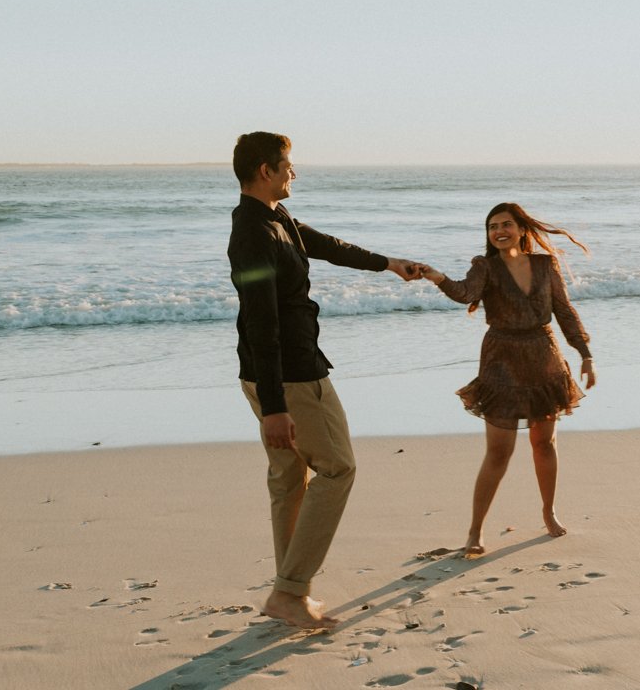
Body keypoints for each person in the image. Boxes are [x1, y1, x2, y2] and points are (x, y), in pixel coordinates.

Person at [228, 131, 421, 629]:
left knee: (290, 481)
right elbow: (260, 321)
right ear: (266, 171)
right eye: (288, 165)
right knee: (338, 469)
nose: (295, 172)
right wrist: (274, 406)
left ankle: (288, 592)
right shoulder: (255, 233)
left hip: (270, 374)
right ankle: (289, 592)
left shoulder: (274, 219)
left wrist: (387, 264)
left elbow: (325, 245)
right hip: (291, 377)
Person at [416, 202, 598, 555]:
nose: (498, 231)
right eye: (491, 227)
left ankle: (548, 512)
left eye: (505, 224)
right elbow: (465, 293)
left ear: (521, 229)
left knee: (544, 443)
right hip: (500, 360)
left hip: (543, 357)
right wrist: (437, 277)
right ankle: (475, 531)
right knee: (499, 451)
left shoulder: (546, 265)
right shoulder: (484, 267)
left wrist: (585, 354)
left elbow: (564, 312)